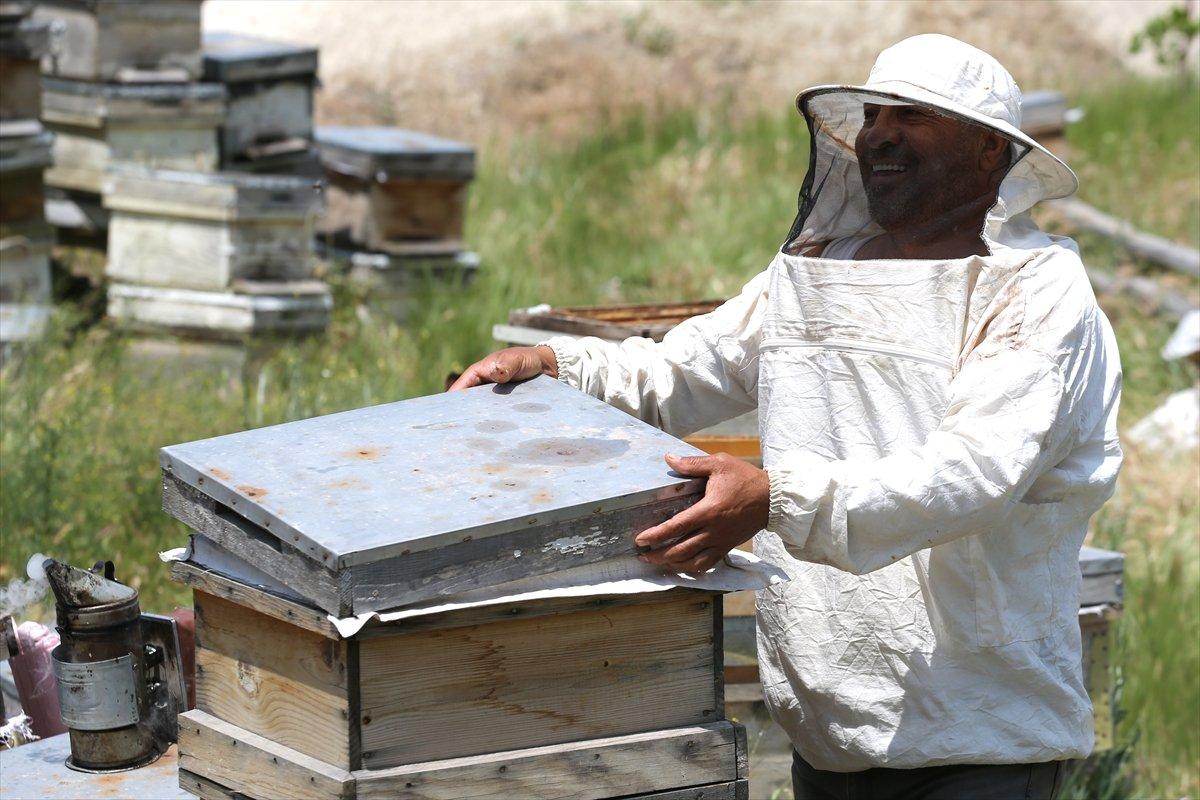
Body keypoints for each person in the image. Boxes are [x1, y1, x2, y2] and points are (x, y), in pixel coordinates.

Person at [451, 34, 1121, 800]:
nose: (880, 134)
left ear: (988, 154)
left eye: (912, 116)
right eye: (872, 115)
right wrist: (556, 367)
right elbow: (677, 371)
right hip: (829, 733)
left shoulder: (1035, 292)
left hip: (980, 739)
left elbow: (972, 475)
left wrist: (777, 497)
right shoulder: (818, 270)